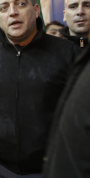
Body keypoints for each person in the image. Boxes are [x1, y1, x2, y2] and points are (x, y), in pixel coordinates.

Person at [0, 0, 80, 178]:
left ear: (35, 10)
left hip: (54, 169)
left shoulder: (67, 54)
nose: (13, 12)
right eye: (4, 7)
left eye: (20, 4)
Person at [43, 38, 90, 178]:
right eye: (3, 13)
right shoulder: (84, 60)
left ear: (37, 14)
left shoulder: (67, 51)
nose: (12, 14)